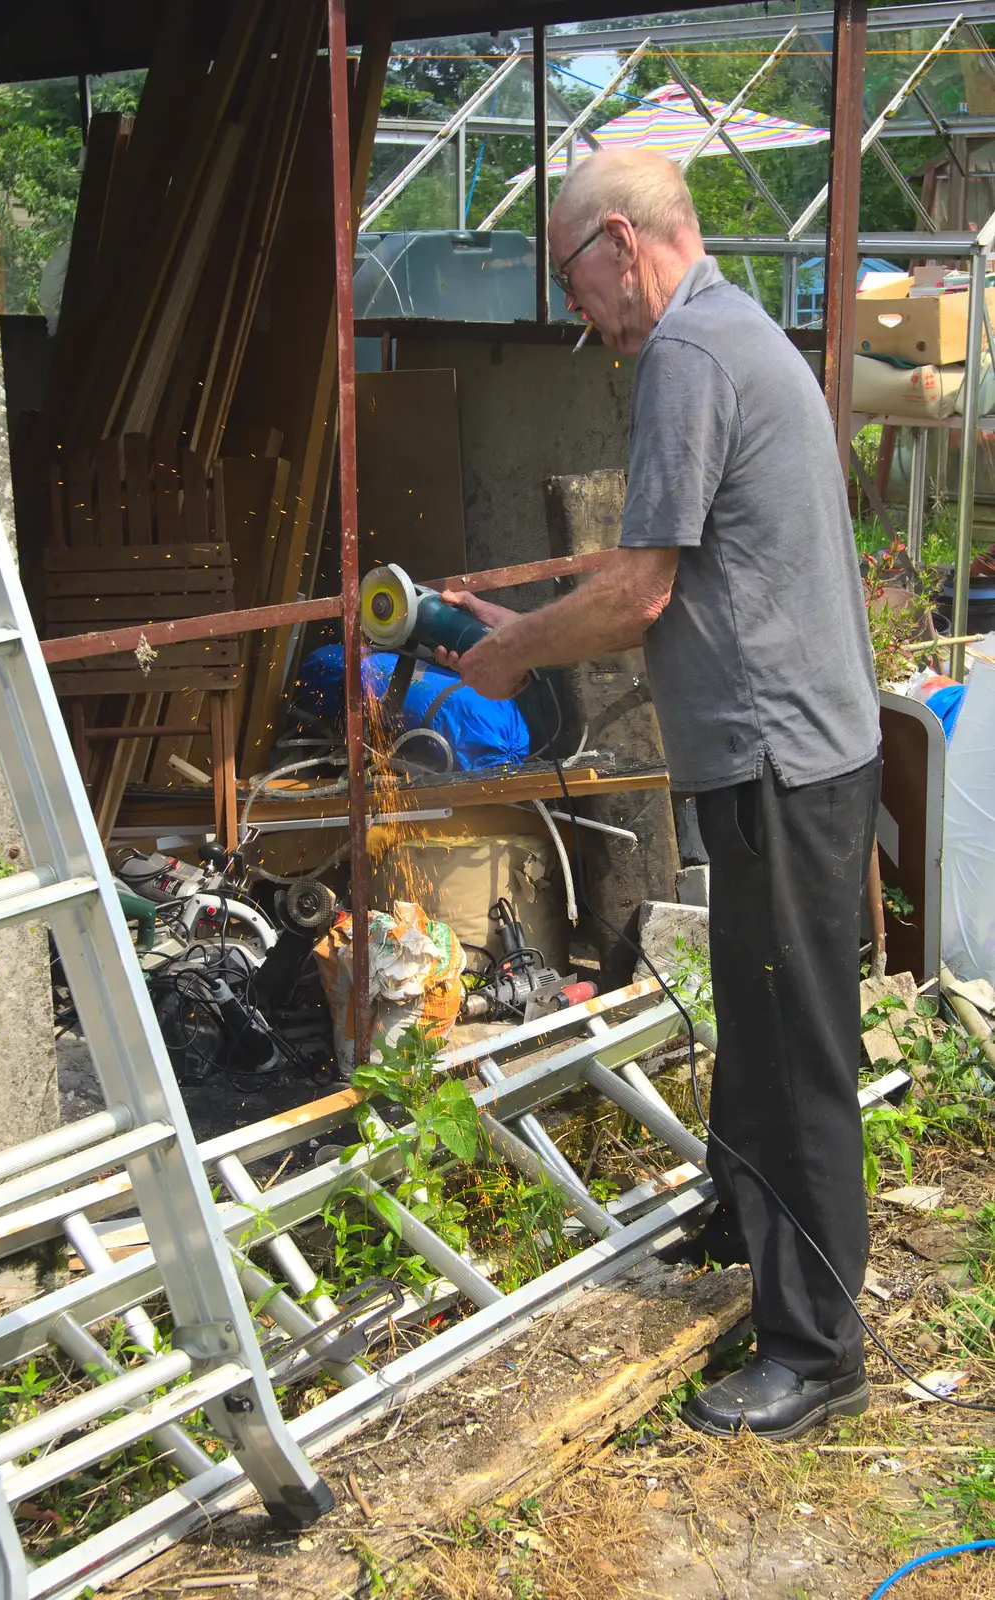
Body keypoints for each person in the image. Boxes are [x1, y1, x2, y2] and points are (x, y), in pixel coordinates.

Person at [435, 149, 881, 1442]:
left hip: (777, 758)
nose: (579, 315)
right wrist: (522, 616)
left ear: (621, 245)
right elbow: (662, 561)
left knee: (795, 1048)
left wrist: (511, 650)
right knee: (751, 996)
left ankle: (813, 1347)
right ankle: (743, 1217)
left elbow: (640, 593)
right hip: (794, 750)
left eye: (573, 280)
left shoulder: (686, 355)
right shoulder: (738, 334)